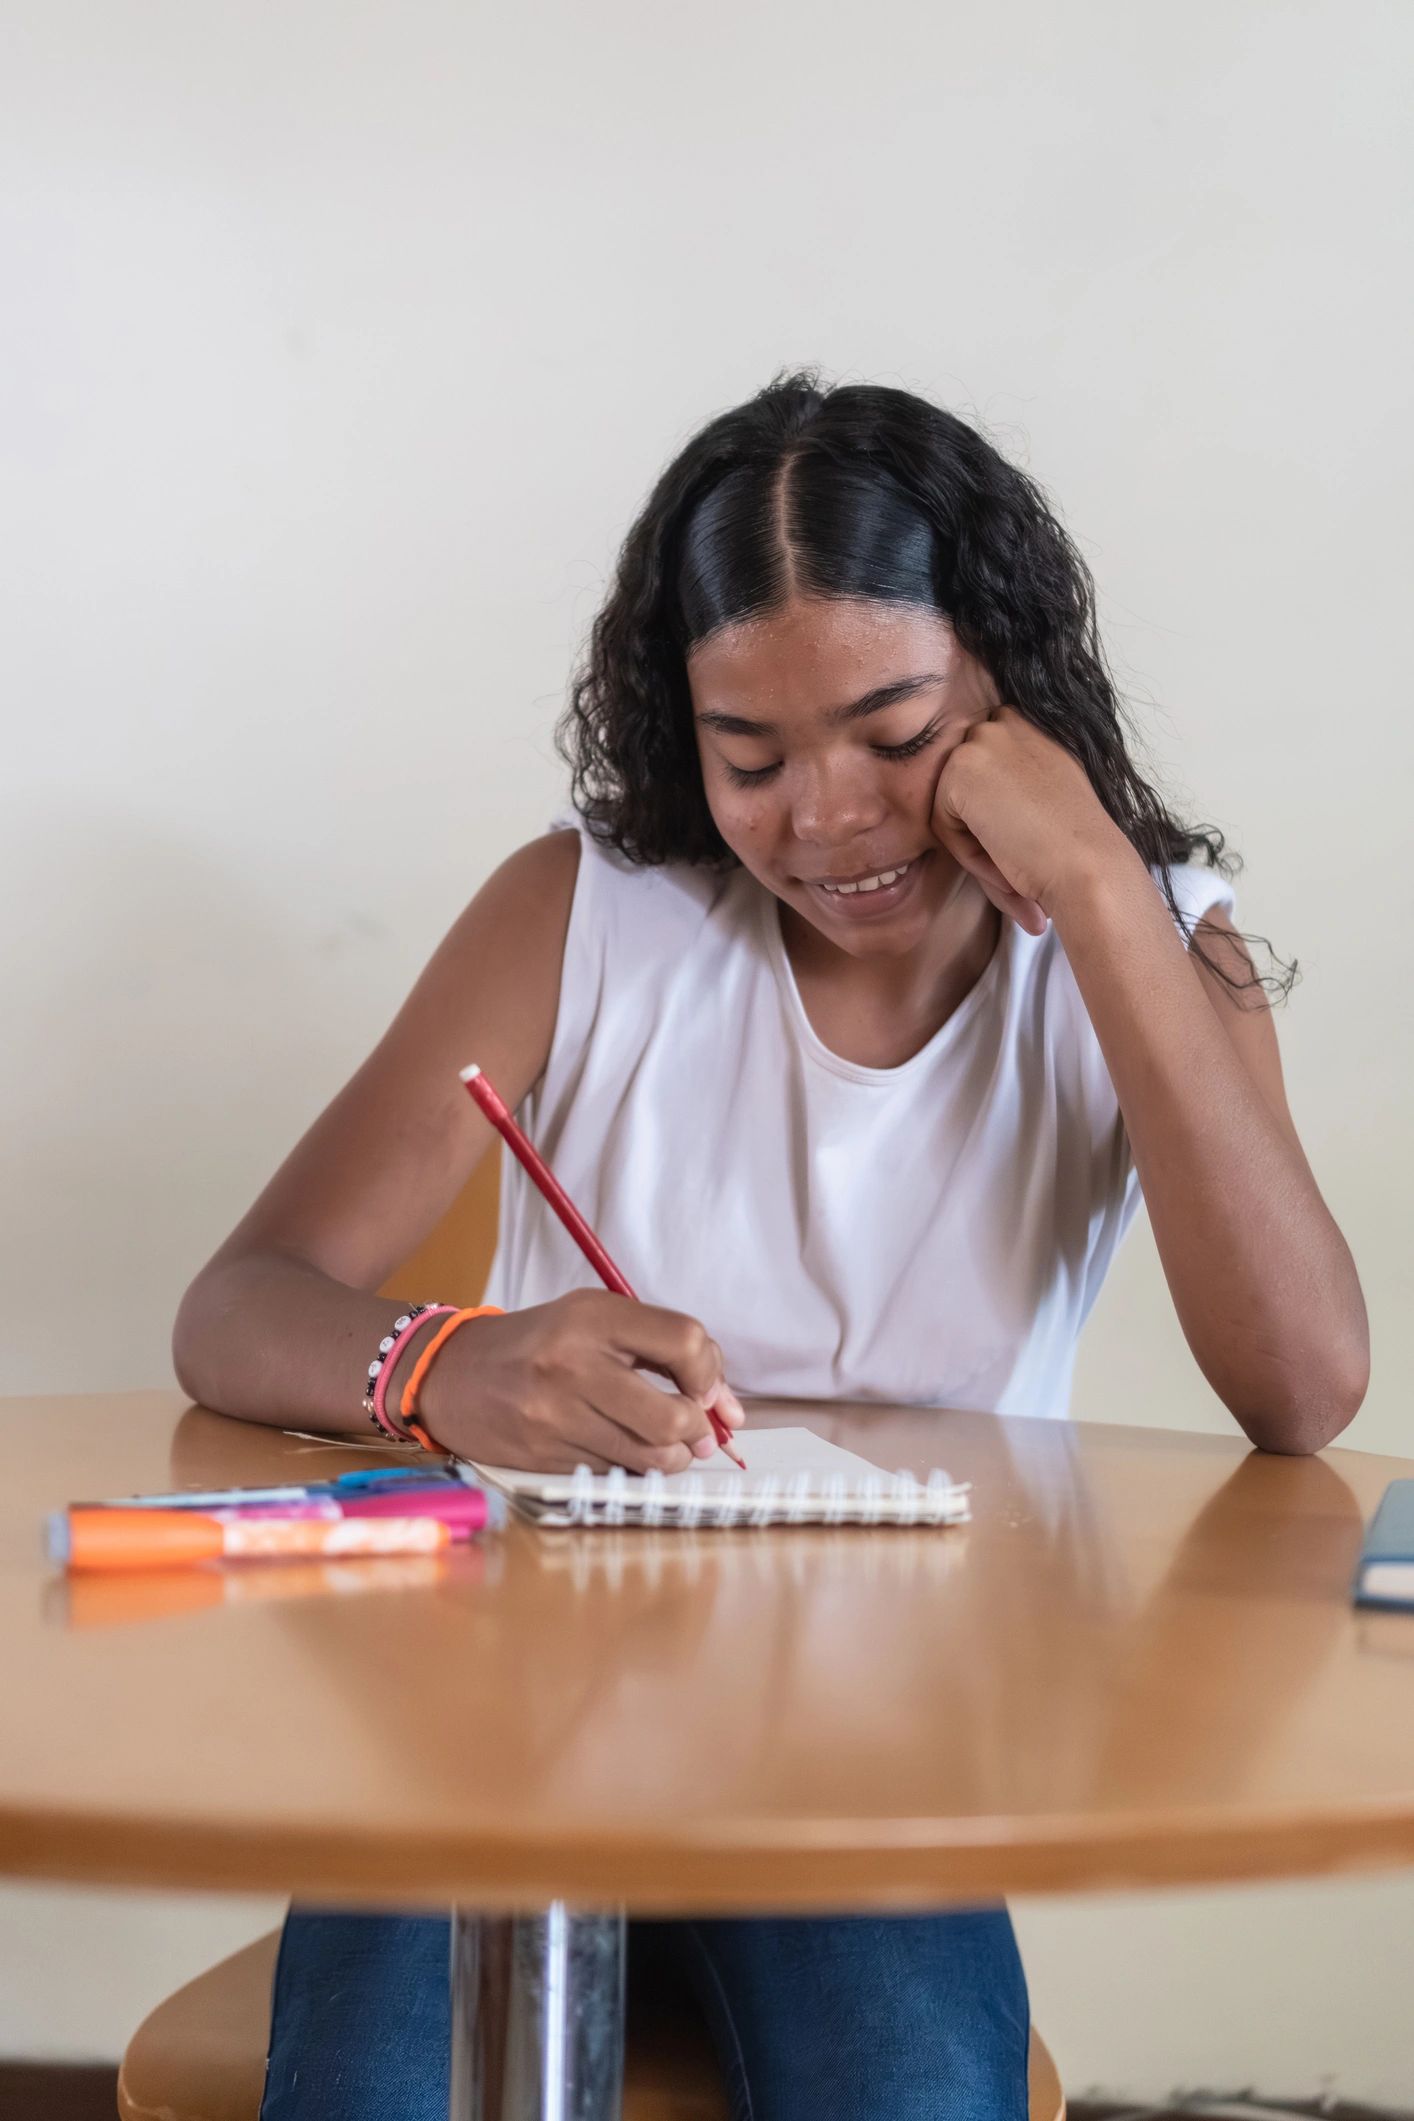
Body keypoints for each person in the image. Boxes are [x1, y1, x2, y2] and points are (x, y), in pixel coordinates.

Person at [173, 372, 1368, 2121]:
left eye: (895, 734)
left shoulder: (1148, 951)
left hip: (877, 1754)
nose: (824, 816)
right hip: (510, 1711)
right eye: (752, 754)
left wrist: (1106, 894)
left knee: (910, 2092)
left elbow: (1303, 1386)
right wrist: (452, 1359)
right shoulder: (586, 914)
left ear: (1006, 691)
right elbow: (239, 1305)